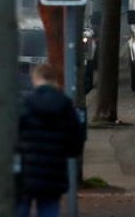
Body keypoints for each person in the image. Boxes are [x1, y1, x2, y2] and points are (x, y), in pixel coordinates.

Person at [16, 63, 85, 217]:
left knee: (21, 207)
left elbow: (14, 136)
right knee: (49, 208)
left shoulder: (26, 102)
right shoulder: (66, 105)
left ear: (35, 78)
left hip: (26, 170)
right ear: (54, 80)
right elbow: (76, 142)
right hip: (54, 172)